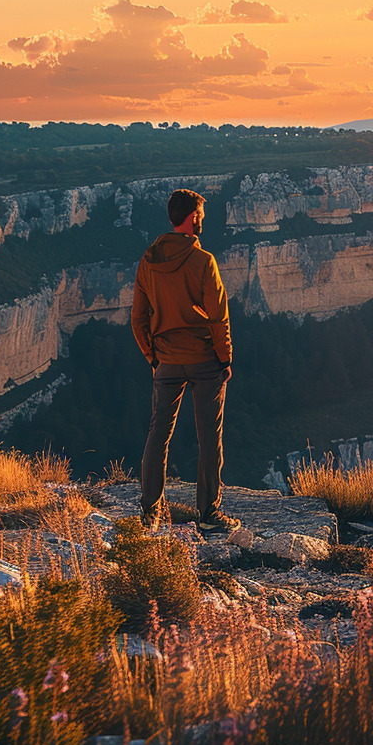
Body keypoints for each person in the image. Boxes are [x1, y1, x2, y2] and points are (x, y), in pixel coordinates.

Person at [131, 188, 241, 533]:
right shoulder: (203, 261)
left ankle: (150, 512)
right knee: (209, 436)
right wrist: (225, 359)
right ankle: (208, 513)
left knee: (158, 433)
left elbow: (138, 317)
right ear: (193, 217)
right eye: (201, 214)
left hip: (165, 360)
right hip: (204, 359)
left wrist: (152, 356)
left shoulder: (148, 261)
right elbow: (218, 317)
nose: (203, 220)